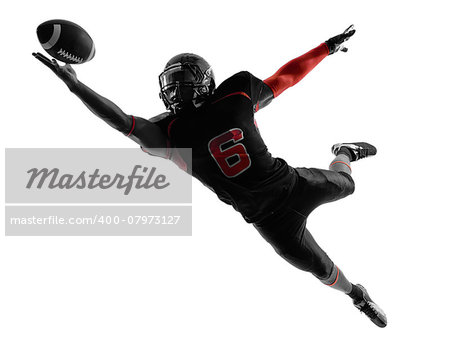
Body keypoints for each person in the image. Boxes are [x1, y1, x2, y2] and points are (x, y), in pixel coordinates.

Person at [33, 25, 387, 327]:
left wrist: (325, 48)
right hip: (267, 219)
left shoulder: (235, 94)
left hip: (293, 184)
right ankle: (358, 295)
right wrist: (76, 86)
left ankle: (344, 152)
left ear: (204, 82)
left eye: (183, 80)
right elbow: (121, 120)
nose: (175, 89)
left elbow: (286, 76)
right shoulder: (168, 133)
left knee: (348, 184)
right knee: (322, 270)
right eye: (171, 83)